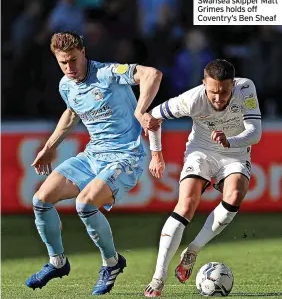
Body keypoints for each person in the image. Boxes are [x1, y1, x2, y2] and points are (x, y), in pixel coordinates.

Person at [25, 31, 162, 295]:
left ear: (83, 52)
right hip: (92, 155)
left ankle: (111, 263)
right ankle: (57, 262)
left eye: (73, 60)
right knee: (41, 199)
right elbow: (71, 113)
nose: (69, 68)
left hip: (125, 155)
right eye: (63, 63)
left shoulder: (109, 72)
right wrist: (49, 147)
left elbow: (152, 74)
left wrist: (140, 109)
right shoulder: (66, 85)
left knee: (85, 204)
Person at [144, 59, 262, 297]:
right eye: (212, 92)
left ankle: (193, 249)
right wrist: (156, 155)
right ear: (203, 85)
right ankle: (158, 279)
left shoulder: (246, 88)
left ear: (233, 85)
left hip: (235, 152)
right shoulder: (191, 99)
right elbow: (152, 117)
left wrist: (231, 141)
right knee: (186, 204)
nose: (218, 98)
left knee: (236, 194)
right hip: (202, 151)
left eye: (224, 92)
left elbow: (255, 132)